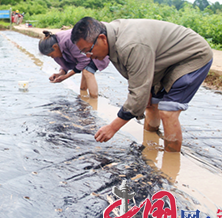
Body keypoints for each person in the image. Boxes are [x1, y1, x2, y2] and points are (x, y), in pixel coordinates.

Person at [70, 17, 213, 152]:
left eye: (88, 50)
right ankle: (151, 144)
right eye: (83, 53)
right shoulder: (111, 37)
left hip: (191, 55)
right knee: (150, 104)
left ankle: (171, 162)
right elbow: (139, 83)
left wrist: (113, 127)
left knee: (168, 111)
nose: (88, 56)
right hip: (161, 60)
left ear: (102, 39)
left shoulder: (130, 45)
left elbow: (138, 93)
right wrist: (146, 93)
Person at [38, 30, 110, 98]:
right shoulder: (56, 43)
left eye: (51, 55)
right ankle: (84, 97)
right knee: (83, 83)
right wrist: (60, 73)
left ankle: (94, 100)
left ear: (55, 47)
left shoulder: (69, 40)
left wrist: (66, 76)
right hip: (86, 53)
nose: (52, 57)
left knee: (87, 72)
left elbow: (84, 61)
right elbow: (65, 62)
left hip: (98, 48)